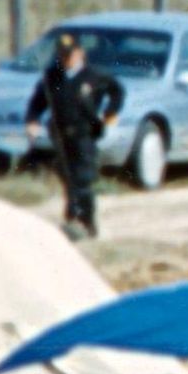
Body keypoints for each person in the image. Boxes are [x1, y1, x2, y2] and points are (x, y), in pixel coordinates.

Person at [25, 34, 120, 239]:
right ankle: (72, 219)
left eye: (70, 55)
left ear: (80, 54)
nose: (67, 59)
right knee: (68, 178)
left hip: (84, 135)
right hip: (61, 136)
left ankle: (87, 223)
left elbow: (117, 91)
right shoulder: (52, 77)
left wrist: (110, 113)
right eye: (62, 55)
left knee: (83, 180)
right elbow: (38, 101)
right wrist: (32, 120)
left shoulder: (93, 76)